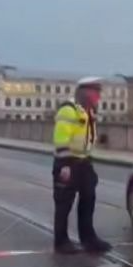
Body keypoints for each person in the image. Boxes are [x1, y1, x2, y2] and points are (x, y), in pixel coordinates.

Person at [51, 77, 112, 254]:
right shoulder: (68, 111)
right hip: (67, 162)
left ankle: (88, 239)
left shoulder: (89, 111)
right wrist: (64, 166)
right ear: (85, 92)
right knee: (64, 204)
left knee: (88, 200)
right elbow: (60, 139)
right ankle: (61, 242)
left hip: (84, 163)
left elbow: (85, 138)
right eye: (96, 92)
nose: (98, 97)